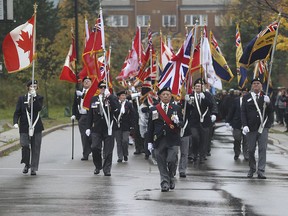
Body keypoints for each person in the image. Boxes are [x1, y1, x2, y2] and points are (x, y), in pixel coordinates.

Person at [147, 87, 183, 192]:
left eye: (168, 94)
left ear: (171, 96)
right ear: (160, 96)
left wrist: (177, 121)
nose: (166, 96)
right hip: (159, 139)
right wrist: (149, 141)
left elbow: (182, 123)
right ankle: (164, 182)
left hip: (172, 138)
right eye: (164, 94)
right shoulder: (154, 109)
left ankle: (171, 176)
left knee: (172, 160)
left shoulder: (176, 108)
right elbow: (151, 126)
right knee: (161, 161)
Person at [241, 78, 274, 179]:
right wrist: (245, 125)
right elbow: (243, 112)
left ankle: (261, 170)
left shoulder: (265, 97)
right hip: (251, 128)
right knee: (250, 150)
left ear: (261, 86)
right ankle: (252, 168)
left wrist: (268, 103)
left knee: (262, 149)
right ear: (252, 86)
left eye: (258, 83)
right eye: (254, 83)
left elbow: (271, 111)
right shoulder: (246, 97)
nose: (256, 85)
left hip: (262, 126)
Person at [85, 81, 119, 176]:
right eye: (101, 87)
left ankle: (107, 169)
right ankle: (98, 165)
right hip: (97, 128)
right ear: (98, 89)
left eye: (105, 87)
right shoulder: (94, 99)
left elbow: (117, 109)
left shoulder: (111, 98)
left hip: (109, 128)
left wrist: (110, 97)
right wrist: (88, 127)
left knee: (108, 150)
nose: (103, 89)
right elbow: (90, 115)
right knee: (94, 147)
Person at [13, 80, 44, 176]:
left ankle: (34, 168)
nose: (33, 88)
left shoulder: (39, 98)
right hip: (24, 125)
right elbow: (17, 111)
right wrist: (15, 122)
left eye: (35, 86)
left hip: (36, 126)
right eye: (31, 86)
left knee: (36, 147)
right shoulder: (22, 98)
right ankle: (27, 164)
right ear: (28, 88)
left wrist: (35, 97)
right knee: (25, 145)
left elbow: (38, 108)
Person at [186, 78, 214, 163]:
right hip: (194, 122)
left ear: (202, 87)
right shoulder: (191, 96)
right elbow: (188, 109)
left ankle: (202, 156)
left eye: (200, 86)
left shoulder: (207, 95)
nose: (198, 87)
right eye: (196, 86)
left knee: (204, 139)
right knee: (195, 137)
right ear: (194, 87)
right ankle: (194, 154)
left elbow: (211, 105)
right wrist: (187, 103)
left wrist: (205, 99)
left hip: (205, 122)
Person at [71, 76, 92, 160]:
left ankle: (94, 149)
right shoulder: (78, 92)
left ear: (91, 83)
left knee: (92, 135)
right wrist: (74, 114)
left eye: (88, 81)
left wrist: (84, 95)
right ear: (83, 83)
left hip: (91, 116)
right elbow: (74, 104)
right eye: (85, 81)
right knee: (83, 136)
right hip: (82, 116)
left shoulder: (93, 92)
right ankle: (85, 153)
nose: (86, 82)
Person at [226, 88, 249, 161]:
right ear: (241, 93)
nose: (244, 94)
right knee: (237, 139)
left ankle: (246, 154)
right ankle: (237, 152)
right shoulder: (236, 100)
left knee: (246, 141)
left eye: (246, 93)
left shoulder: (251, 101)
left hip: (247, 124)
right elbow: (231, 111)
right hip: (237, 123)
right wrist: (228, 121)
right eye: (243, 92)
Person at [114, 89, 136, 163]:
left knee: (125, 141)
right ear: (119, 97)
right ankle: (120, 156)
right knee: (118, 142)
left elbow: (132, 115)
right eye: (122, 95)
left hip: (126, 126)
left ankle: (125, 154)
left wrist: (132, 126)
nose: (124, 97)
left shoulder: (128, 104)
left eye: (124, 95)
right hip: (117, 126)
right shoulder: (116, 104)